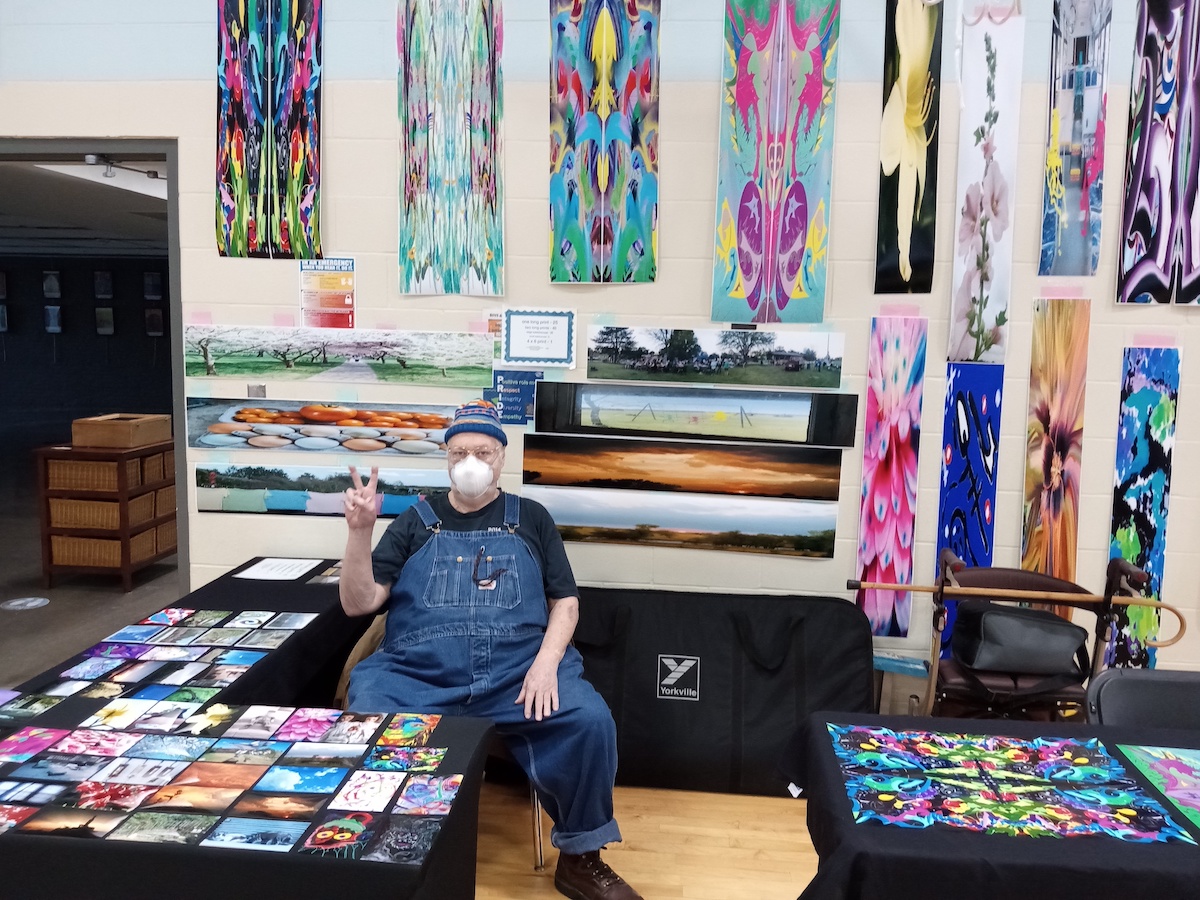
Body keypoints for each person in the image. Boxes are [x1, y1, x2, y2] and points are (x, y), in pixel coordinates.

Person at [340, 400, 642, 900]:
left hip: (516, 673)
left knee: (589, 721)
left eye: (483, 452)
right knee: (370, 715)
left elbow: (566, 603)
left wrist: (546, 666)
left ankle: (581, 859)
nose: (471, 463)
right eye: (459, 452)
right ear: (446, 458)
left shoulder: (532, 518)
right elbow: (358, 603)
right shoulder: (415, 521)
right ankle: (385, 853)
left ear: (502, 456)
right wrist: (358, 532)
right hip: (419, 674)